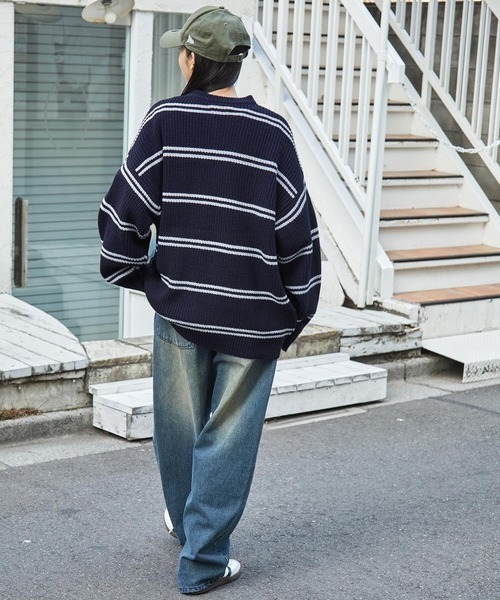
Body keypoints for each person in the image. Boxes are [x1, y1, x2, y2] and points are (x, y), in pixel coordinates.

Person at [98, 5, 321, 595]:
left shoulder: (166, 120)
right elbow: (297, 231)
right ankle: (202, 555)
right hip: (254, 317)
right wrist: (298, 308)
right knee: (227, 438)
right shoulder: (273, 132)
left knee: (179, 428)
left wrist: (139, 273)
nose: (180, 58)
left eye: (183, 51)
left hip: (181, 308)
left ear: (193, 60)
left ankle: (190, 537)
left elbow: (123, 214)